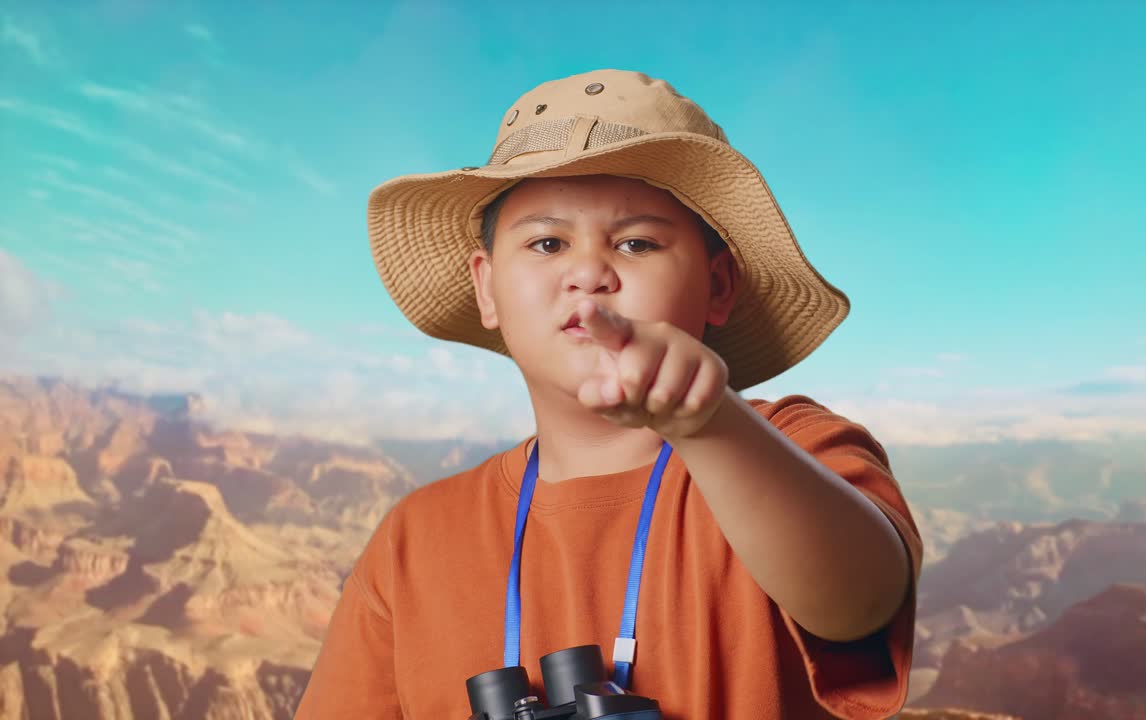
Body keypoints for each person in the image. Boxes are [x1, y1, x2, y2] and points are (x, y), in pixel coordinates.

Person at [294, 69, 923, 720]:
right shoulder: (414, 541)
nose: (588, 272)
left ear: (718, 286)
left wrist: (711, 425)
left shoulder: (789, 448)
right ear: (486, 287)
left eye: (635, 243)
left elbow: (860, 601)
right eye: (547, 243)